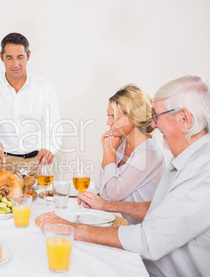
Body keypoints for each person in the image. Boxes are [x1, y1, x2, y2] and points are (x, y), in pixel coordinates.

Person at [38, 75, 210, 277]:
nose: (153, 125)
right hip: (144, 261)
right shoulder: (185, 159)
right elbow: (158, 207)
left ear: (184, 119)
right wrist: (106, 205)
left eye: (157, 116)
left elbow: (148, 240)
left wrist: (75, 229)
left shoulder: (202, 174)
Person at [0, 32, 63, 176]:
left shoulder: (44, 87)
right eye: (9, 58)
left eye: (20, 57)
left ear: (28, 56)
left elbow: (54, 124)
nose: (15, 64)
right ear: (1, 57)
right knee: (4, 198)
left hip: (37, 161)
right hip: (4, 161)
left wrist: (50, 147)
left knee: (40, 198)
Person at [95, 84, 166, 224]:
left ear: (133, 118)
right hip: (115, 222)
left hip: (137, 230)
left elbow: (113, 194)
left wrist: (109, 153)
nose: (108, 122)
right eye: (108, 115)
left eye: (113, 116)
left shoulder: (149, 153)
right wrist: (107, 151)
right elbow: (99, 187)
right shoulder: (121, 143)